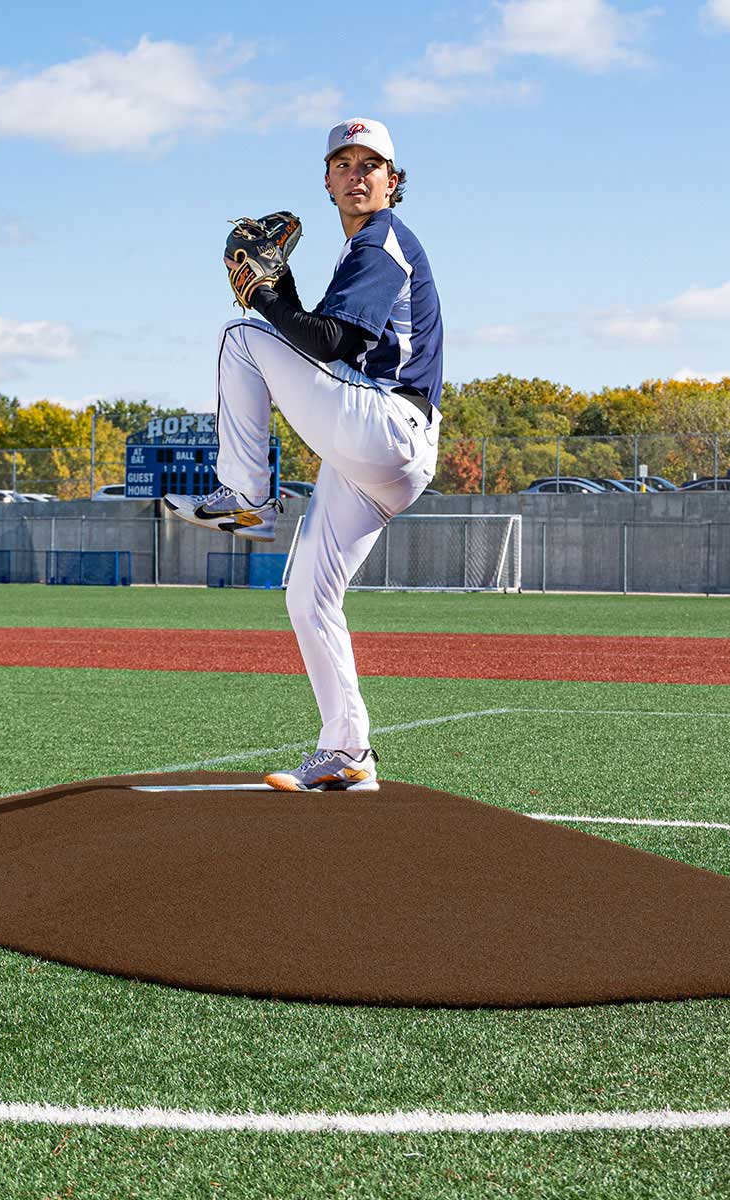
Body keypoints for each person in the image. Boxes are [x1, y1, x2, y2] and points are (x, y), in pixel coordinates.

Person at [165, 117, 443, 793]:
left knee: (239, 338)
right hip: (376, 454)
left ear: (393, 181)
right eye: (344, 164)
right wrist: (281, 290)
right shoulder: (361, 252)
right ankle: (347, 752)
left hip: (386, 424)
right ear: (326, 181)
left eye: (370, 164)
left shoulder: (381, 242)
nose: (357, 174)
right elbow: (317, 338)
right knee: (308, 597)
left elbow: (322, 344)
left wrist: (262, 295)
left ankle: (246, 496)